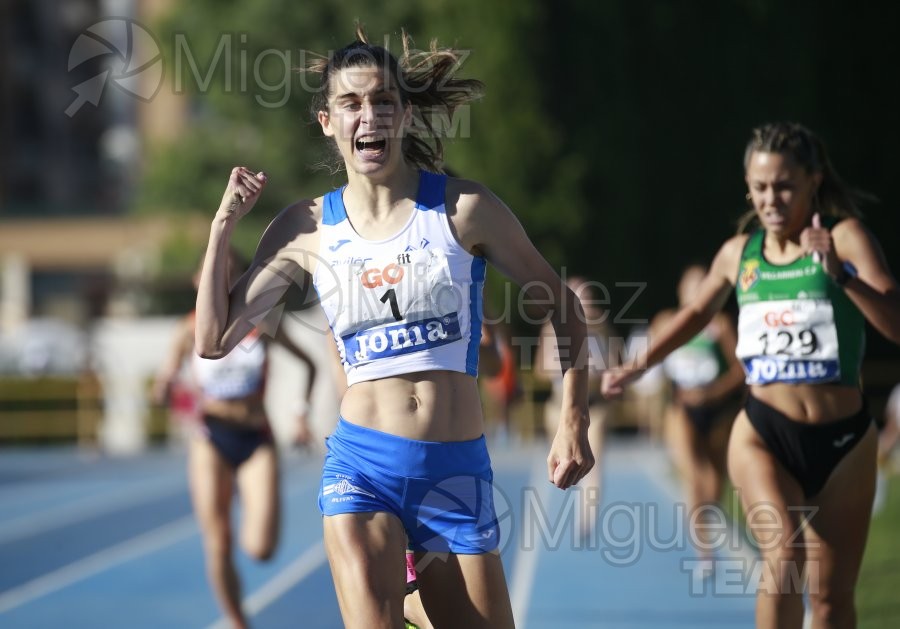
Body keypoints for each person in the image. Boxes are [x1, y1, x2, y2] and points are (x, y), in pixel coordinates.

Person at [193, 26, 593, 629]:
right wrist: (223, 224)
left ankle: (415, 598)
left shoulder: (463, 209)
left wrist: (573, 420)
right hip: (363, 466)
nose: (368, 116)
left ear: (404, 114)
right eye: (352, 104)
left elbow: (562, 306)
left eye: (382, 101)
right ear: (328, 121)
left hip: (454, 470)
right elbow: (212, 340)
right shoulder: (306, 229)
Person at [603, 121, 900, 628]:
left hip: (845, 441)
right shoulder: (739, 253)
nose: (772, 199)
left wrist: (841, 276)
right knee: (783, 561)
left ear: (813, 180)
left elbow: (894, 322)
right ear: (748, 188)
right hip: (764, 433)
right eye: (760, 188)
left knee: (830, 601)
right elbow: (695, 315)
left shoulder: (845, 238)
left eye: (784, 185)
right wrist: (637, 365)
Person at [153, 249, 317, 629]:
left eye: (231, 274)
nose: (221, 282)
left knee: (260, 549)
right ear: (199, 281)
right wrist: (163, 390)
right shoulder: (187, 329)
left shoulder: (264, 320)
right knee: (219, 541)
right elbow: (164, 380)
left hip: (256, 436)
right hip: (210, 437)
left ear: (243, 280)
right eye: (212, 274)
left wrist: (300, 413)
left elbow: (308, 365)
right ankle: (237, 621)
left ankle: (247, 503)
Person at [652, 264, 745, 568]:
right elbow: (652, 362)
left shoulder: (720, 323)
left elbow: (740, 370)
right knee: (695, 476)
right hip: (683, 409)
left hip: (717, 409)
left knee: (715, 480)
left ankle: (705, 520)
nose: (696, 291)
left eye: (702, 285)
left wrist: (714, 392)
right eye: (690, 285)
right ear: (680, 290)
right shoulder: (667, 321)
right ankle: (704, 548)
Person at [534, 276, 613, 539]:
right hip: (558, 408)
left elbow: (612, 367)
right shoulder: (551, 328)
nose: (583, 306)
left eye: (587, 300)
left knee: (595, 462)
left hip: (593, 408)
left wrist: (592, 373)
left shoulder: (601, 329)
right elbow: (540, 370)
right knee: (562, 465)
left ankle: (586, 520)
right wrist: (563, 368)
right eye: (577, 299)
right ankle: (570, 504)